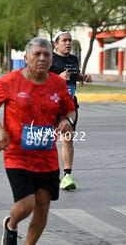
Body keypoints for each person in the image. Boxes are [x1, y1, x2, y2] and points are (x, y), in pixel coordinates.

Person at [0, 37, 76, 245]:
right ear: (26, 58)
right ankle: (11, 225)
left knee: (43, 206)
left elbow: (69, 110)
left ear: (52, 60)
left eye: (46, 55)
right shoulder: (10, 81)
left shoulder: (58, 84)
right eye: (37, 54)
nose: (42, 58)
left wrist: (66, 121)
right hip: (17, 155)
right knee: (26, 205)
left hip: (47, 157)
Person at [49, 30, 92, 190]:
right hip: (51, 105)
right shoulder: (49, 59)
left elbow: (75, 75)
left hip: (69, 105)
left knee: (68, 139)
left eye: (70, 41)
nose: (68, 43)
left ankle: (67, 176)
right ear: (56, 44)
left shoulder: (74, 59)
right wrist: (57, 78)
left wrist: (83, 77)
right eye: (64, 40)